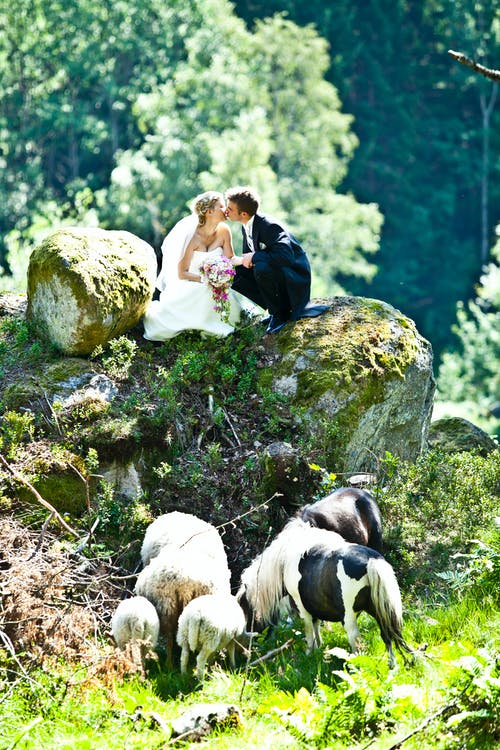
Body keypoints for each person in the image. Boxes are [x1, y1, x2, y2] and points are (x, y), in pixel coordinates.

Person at [143, 191, 255, 341]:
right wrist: (206, 279)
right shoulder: (192, 236)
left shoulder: (224, 231)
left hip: (213, 281)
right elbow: (182, 273)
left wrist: (246, 259)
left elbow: (230, 259)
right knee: (205, 290)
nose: (226, 209)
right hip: (191, 281)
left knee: (218, 291)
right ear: (209, 212)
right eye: (221, 206)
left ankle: (213, 326)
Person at [225, 186, 329, 334]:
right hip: (277, 268)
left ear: (243, 213)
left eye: (230, 208)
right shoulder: (246, 225)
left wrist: (254, 257)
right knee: (238, 271)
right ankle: (273, 311)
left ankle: (281, 315)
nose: (226, 211)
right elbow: (249, 257)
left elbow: (285, 256)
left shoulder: (269, 226)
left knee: (261, 268)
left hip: (294, 273)